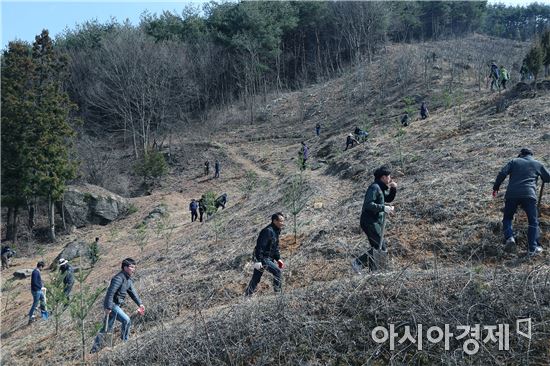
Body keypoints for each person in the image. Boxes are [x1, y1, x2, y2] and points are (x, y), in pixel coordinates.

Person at [493, 148, 550, 256]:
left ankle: (510, 238)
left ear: (520, 154)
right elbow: (548, 178)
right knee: (533, 221)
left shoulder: (514, 161)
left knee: (508, 218)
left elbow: (502, 173)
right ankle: (533, 248)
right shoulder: (537, 164)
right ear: (531, 155)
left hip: (512, 195)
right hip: (529, 195)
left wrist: (496, 187)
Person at [91, 258, 145, 353]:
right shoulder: (118, 278)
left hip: (117, 305)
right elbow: (110, 293)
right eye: (131, 267)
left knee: (106, 328)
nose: (133, 269)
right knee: (126, 320)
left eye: (134, 267)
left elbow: (133, 293)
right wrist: (108, 307)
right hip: (112, 305)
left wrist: (140, 303)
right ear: (125, 267)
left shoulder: (128, 279)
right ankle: (125, 342)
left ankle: (94, 350)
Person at [353, 166, 397, 273]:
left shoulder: (380, 188)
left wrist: (393, 189)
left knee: (377, 247)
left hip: (375, 222)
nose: (390, 178)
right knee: (381, 247)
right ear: (383, 177)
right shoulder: (374, 188)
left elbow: (387, 198)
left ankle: (374, 271)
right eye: (389, 176)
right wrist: (384, 208)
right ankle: (357, 263)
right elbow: (368, 204)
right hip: (369, 222)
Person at [245, 213, 285, 296]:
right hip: (262, 258)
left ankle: (247, 295)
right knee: (277, 272)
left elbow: (275, 247)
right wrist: (258, 260)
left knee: (256, 277)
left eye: (283, 221)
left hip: (268, 258)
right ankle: (278, 295)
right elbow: (260, 247)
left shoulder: (276, 231)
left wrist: (278, 259)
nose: (282, 223)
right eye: (281, 221)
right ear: (274, 221)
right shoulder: (267, 231)